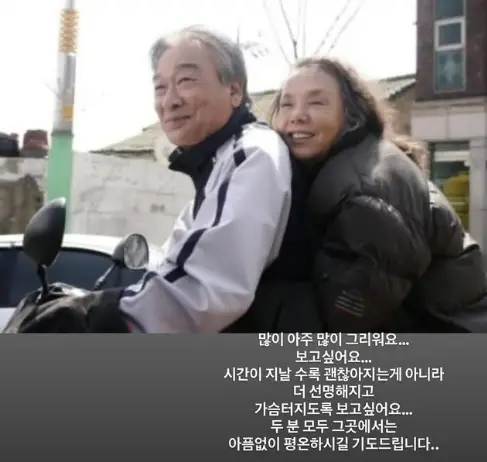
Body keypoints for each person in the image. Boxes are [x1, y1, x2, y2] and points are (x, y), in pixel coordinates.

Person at [4, 26, 320, 334]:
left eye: (186, 81)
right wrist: (89, 300)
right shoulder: (217, 165)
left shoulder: (251, 153)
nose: (170, 100)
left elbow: (204, 289)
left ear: (234, 91)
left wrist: (95, 315)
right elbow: (171, 267)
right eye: (160, 87)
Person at [270, 56, 487, 333]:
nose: (297, 115)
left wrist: (246, 300)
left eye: (317, 102)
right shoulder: (342, 163)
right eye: (287, 104)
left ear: (352, 116)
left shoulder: (368, 193)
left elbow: (341, 321)